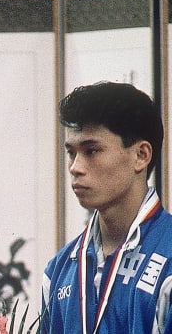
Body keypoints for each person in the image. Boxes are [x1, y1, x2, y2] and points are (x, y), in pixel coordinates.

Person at [41, 82, 172, 333]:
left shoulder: (169, 260)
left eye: (91, 151)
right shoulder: (59, 270)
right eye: (71, 152)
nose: (75, 167)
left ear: (141, 155)